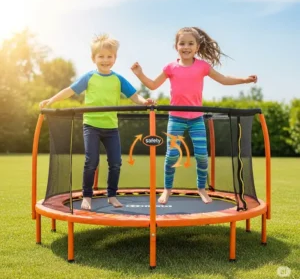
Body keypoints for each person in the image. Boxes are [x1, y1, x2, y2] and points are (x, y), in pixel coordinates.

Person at [131, 26, 257, 204]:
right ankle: (167, 190)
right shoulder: (170, 67)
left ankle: (201, 189)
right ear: (176, 46)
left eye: (190, 43)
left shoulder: (202, 66)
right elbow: (152, 85)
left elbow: (223, 79)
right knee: (172, 155)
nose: (186, 47)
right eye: (182, 43)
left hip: (196, 119)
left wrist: (244, 80)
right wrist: (140, 74)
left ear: (197, 47)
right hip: (176, 118)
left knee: (201, 155)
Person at [39, 33, 154, 210]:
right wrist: (51, 100)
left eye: (109, 56)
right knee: (91, 161)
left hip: (111, 128)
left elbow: (134, 96)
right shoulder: (89, 77)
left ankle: (112, 195)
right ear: (94, 58)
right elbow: (70, 90)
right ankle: (87, 196)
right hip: (91, 125)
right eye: (101, 56)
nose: (105, 60)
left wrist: (144, 101)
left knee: (116, 162)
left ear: (115, 59)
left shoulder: (118, 79)